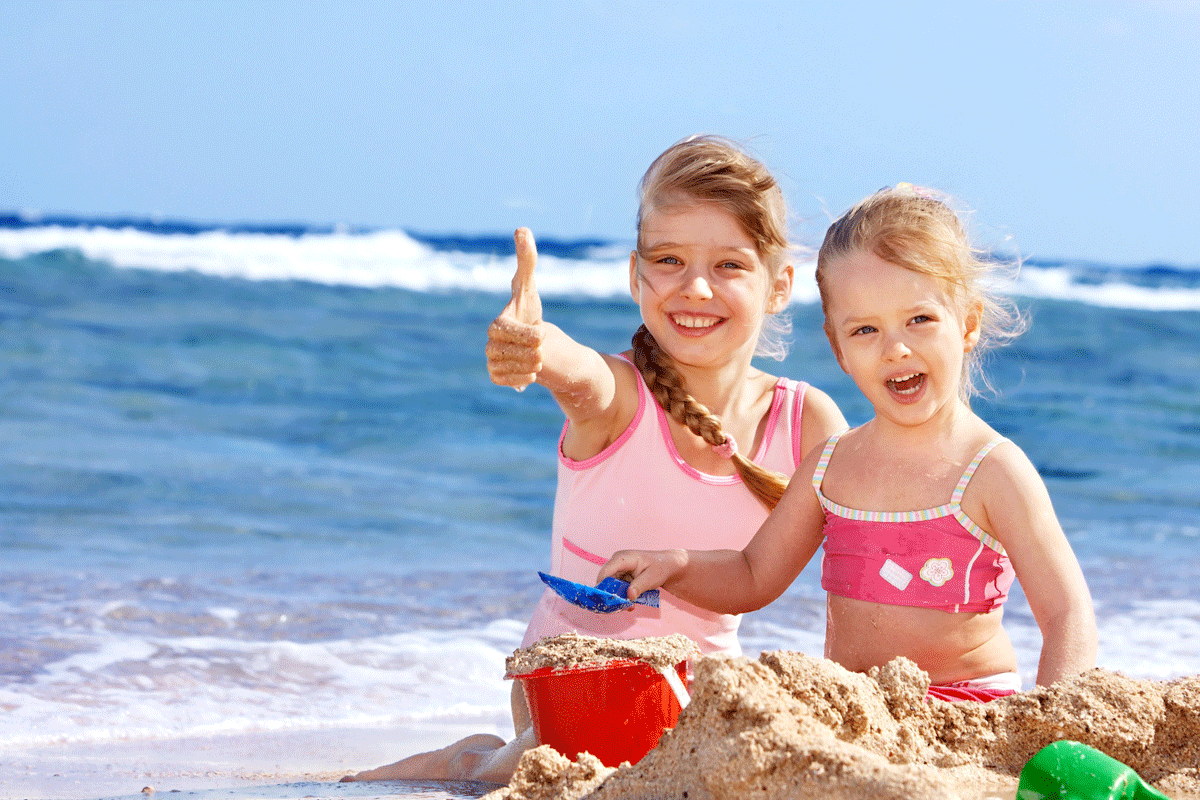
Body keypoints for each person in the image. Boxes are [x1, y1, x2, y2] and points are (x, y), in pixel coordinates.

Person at [341, 135, 846, 782]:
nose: (695, 288)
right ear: (635, 277)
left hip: (694, 691)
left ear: (778, 287)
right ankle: (466, 764)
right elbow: (576, 371)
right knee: (587, 760)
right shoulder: (619, 398)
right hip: (567, 674)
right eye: (669, 260)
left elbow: (853, 565)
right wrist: (535, 347)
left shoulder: (806, 424)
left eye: (729, 266)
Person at [600, 183, 1098, 702]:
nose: (896, 349)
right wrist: (678, 564)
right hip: (855, 708)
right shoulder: (832, 465)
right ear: (837, 346)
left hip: (968, 706)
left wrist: (1052, 730)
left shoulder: (993, 469)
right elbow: (753, 575)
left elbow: (1067, 613)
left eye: (920, 320)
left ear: (967, 323)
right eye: (864, 330)